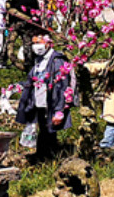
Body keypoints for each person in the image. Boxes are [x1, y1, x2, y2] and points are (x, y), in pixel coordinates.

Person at [14, 30, 75, 159]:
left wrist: (59, 110)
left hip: (51, 104)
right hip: (39, 104)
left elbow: (61, 86)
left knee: (49, 134)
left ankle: (49, 160)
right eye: (34, 43)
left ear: (48, 43)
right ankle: (43, 159)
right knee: (43, 132)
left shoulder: (57, 61)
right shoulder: (38, 60)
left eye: (39, 42)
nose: (37, 46)